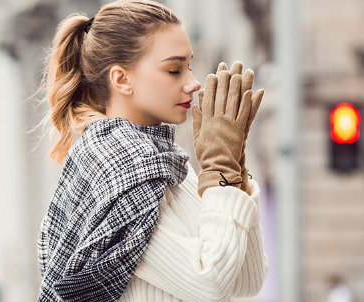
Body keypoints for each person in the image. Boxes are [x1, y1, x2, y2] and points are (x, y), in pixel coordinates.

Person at [36, 0, 268, 301]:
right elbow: (210, 282)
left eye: (190, 66)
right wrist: (220, 169)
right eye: (174, 70)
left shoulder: (163, 162)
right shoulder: (118, 167)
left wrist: (233, 171)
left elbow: (246, 281)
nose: (193, 83)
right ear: (122, 79)